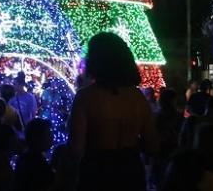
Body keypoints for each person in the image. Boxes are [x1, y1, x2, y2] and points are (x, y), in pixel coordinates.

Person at [67, 31, 158, 191]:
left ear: (96, 61)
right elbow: (152, 145)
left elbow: (76, 150)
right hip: (130, 172)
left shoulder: (86, 97)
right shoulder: (137, 97)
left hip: (96, 173)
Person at [14, 118, 55, 191]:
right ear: (37, 138)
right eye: (48, 134)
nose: (52, 137)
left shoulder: (26, 157)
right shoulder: (36, 163)